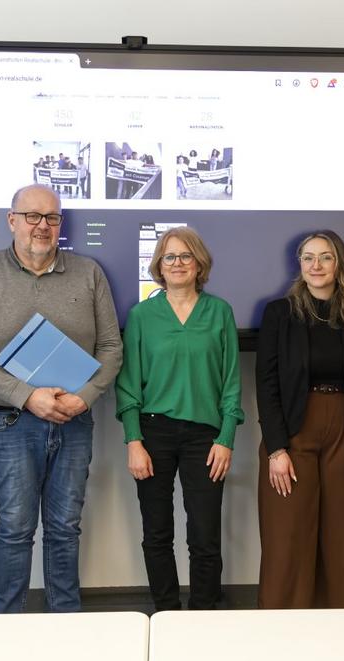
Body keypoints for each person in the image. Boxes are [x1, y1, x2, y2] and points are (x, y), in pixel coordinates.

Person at [0, 184, 122, 613]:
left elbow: (111, 348)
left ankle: (64, 620)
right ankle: (7, 624)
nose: (42, 226)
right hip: (11, 421)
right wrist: (27, 396)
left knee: (65, 527)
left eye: (52, 217)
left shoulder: (89, 272)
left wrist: (85, 398)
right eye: (32, 216)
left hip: (74, 419)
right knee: (15, 527)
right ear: (12, 220)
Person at [115, 226, 243, 611]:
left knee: (205, 536)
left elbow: (231, 383)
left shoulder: (220, 312)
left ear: (199, 263)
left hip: (206, 438)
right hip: (153, 433)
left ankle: (202, 615)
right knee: (157, 534)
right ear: (159, 265)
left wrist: (226, 438)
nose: (177, 263)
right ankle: (167, 612)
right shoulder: (142, 316)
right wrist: (134, 441)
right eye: (169, 256)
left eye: (186, 256)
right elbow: (128, 385)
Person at [256, 231, 344, 608]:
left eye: (325, 257)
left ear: (339, 263)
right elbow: (266, 382)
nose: (316, 265)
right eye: (308, 257)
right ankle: (282, 624)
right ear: (299, 265)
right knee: (288, 535)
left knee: (341, 536)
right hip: (293, 433)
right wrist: (276, 449)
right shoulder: (279, 313)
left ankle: (336, 622)